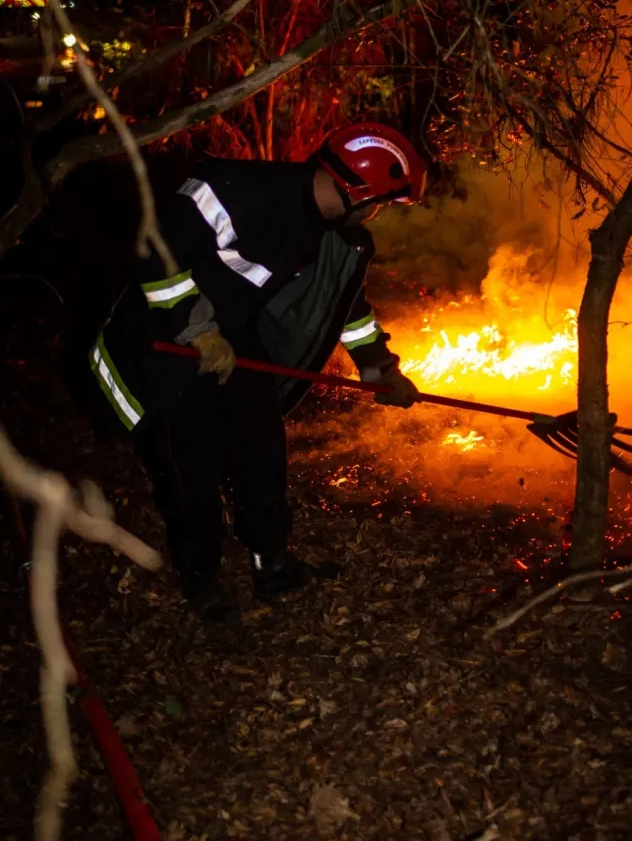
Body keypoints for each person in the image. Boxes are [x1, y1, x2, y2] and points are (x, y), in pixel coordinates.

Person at [86, 122, 427, 623]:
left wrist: (378, 366)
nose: (378, 214)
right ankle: (201, 577)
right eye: (381, 202)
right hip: (165, 341)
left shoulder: (334, 236)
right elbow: (154, 246)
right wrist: (197, 330)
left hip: (233, 338)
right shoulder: (234, 190)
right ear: (357, 191)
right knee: (192, 466)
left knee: (261, 446)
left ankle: (273, 562)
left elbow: (344, 304)